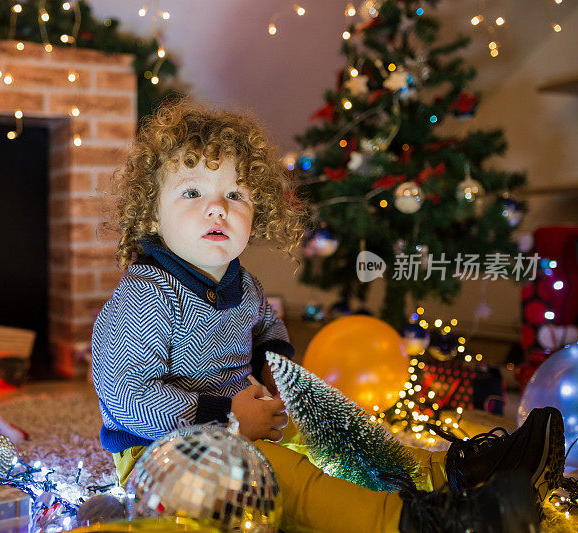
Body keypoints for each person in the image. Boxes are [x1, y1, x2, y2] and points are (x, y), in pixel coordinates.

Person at [91, 98, 564, 532]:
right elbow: (126, 397)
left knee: (335, 429)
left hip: (247, 416)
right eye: (192, 193)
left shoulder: (243, 282)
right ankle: (411, 521)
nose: (217, 208)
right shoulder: (145, 297)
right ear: (152, 214)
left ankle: (450, 473)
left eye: (235, 195)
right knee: (283, 474)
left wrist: (272, 365)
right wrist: (226, 417)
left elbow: (267, 329)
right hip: (164, 451)